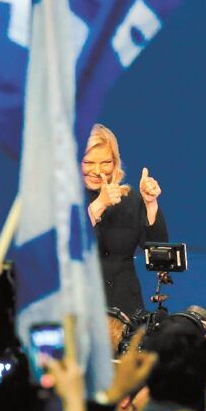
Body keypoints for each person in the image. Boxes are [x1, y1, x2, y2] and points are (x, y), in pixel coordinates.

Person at [82, 124, 168, 315]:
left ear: (115, 163)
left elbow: (158, 252)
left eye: (105, 162)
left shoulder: (130, 200)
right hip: (81, 308)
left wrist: (150, 204)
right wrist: (98, 206)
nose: (98, 171)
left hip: (126, 310)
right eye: (88, 163)